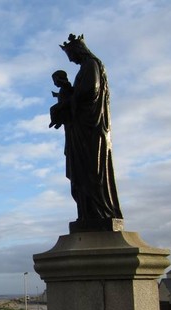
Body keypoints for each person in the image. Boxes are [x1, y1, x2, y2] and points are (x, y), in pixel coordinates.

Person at [56, 34, 123, 230]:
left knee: (93, 171)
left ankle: (100, 212)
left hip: (91, 130)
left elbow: (89, 92)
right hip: (81, 129)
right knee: (83, 173)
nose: (71, 60)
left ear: (77, 50)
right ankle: (88, 213)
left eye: (70, 55)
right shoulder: (86, 67)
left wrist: (67, 103)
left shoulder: (91, 65)